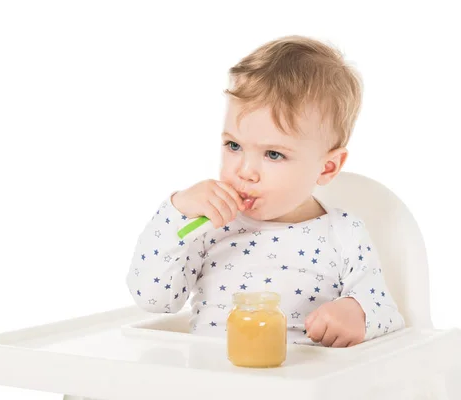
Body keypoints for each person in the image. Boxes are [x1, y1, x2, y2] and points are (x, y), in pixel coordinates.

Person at [125, 35, 405, 347]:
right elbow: (153, 299)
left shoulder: (343, 233)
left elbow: (386, 311)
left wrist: (357, 313)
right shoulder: (209, 225)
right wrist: (176, 210)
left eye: (273, 154)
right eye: (234, 146)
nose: (244, 171)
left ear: (326, 168)